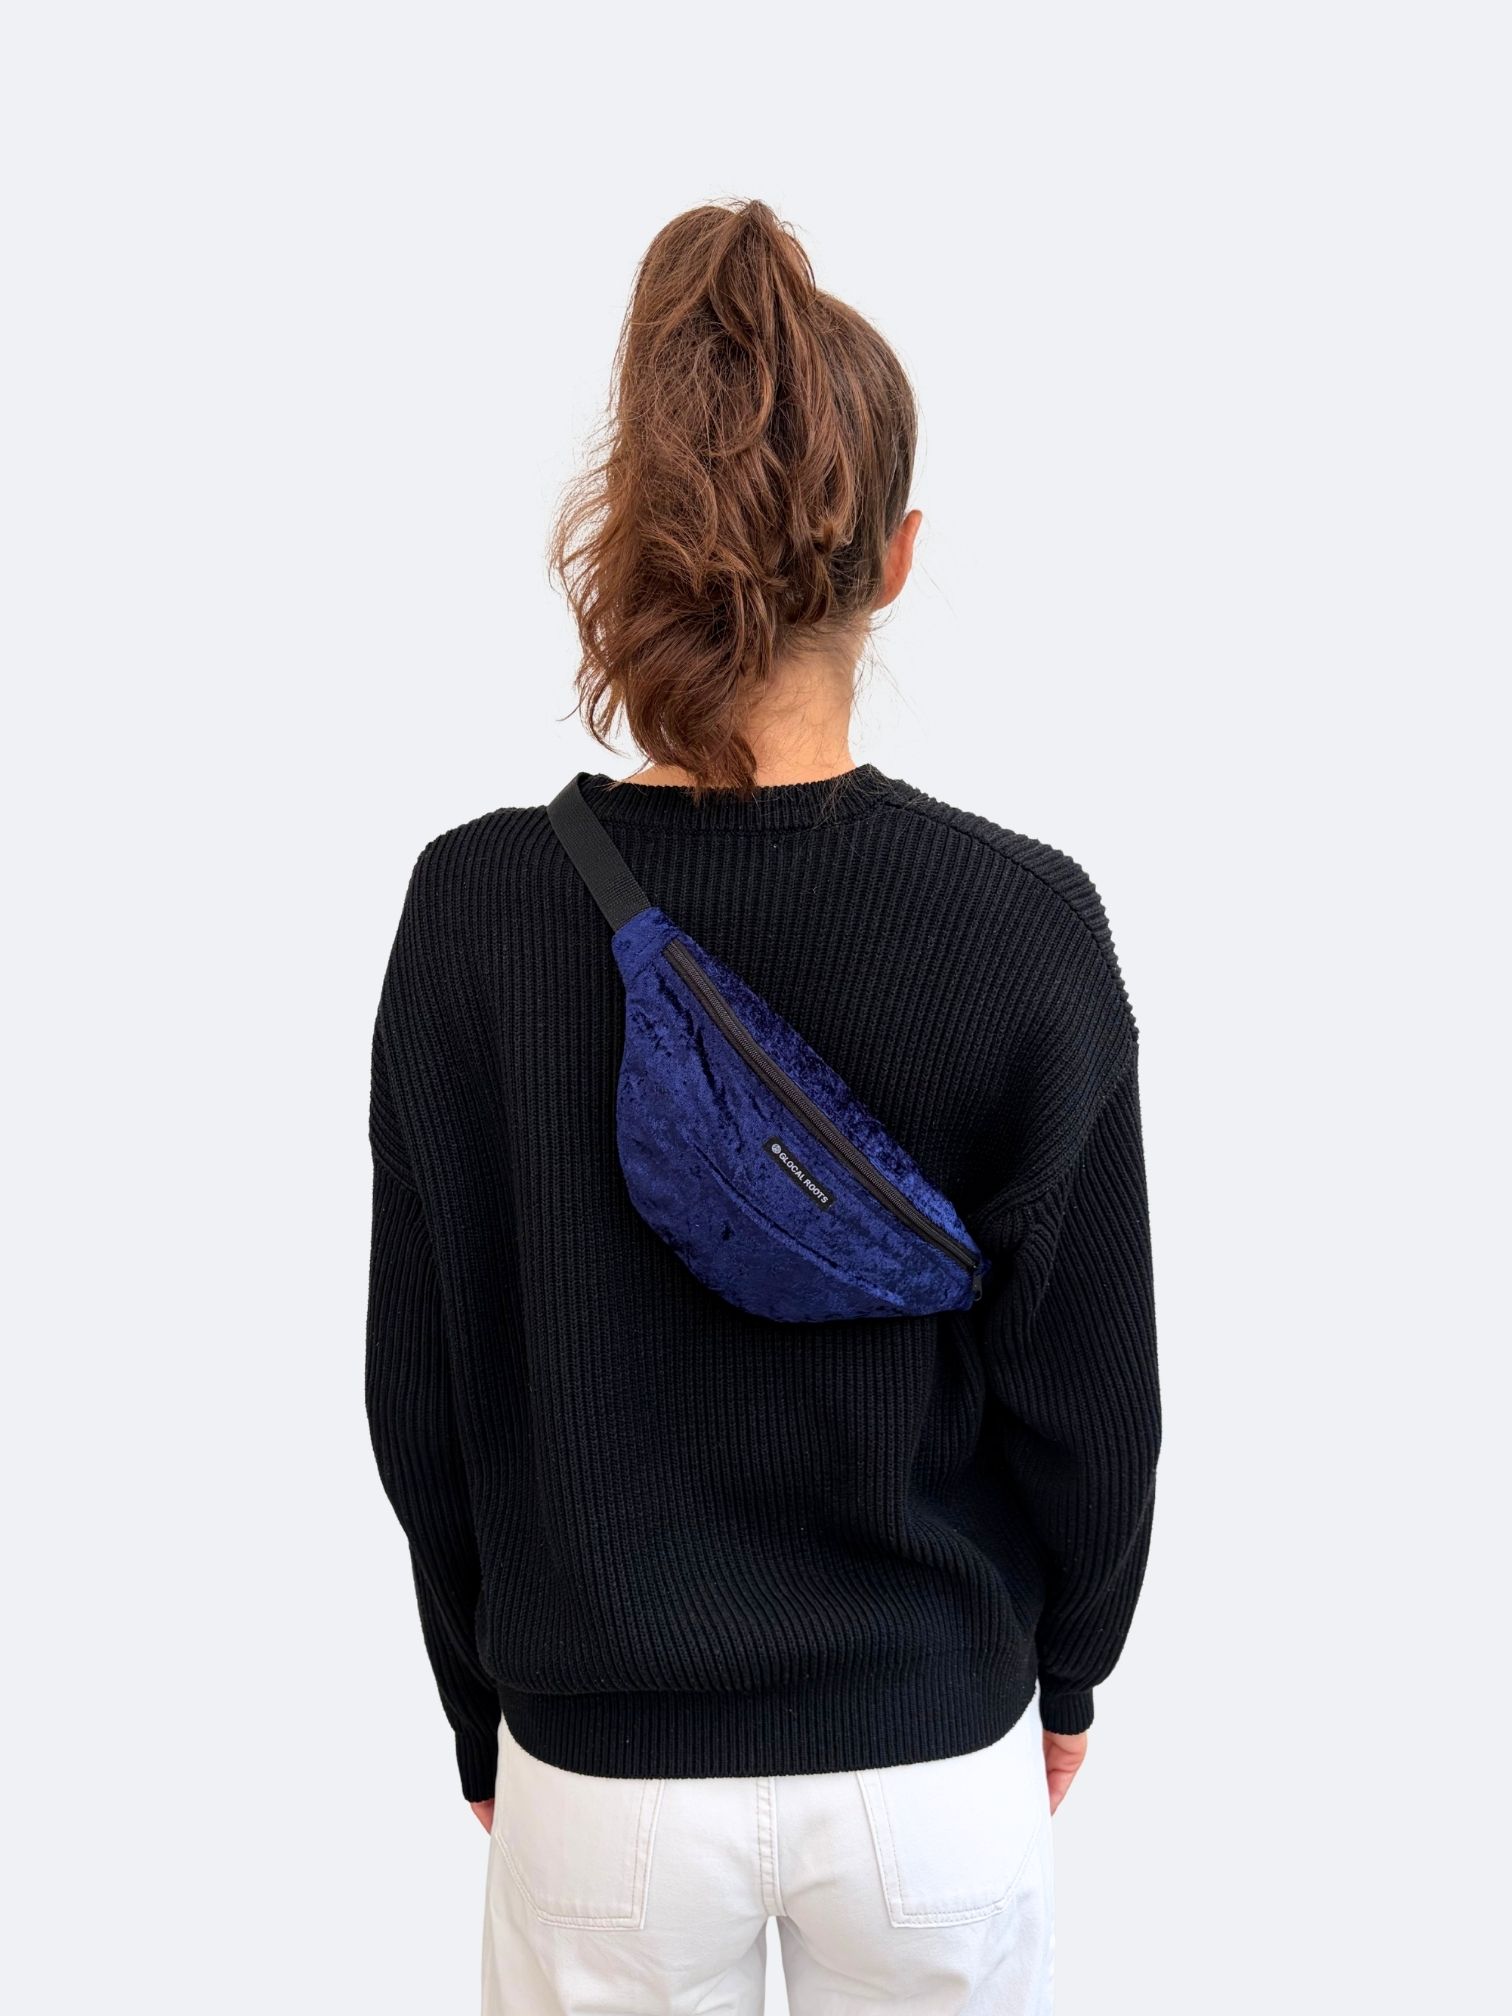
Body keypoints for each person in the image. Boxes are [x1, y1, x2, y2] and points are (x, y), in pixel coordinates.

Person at [366, 199, 1160, 2016]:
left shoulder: (475, 913)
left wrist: (482, 1709)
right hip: (930, 1759)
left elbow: (425, 1380)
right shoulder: (1023, 922)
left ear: (633, 547)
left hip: (602, 1778)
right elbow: (1094, 1392)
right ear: (897, 561)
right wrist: (1069, 1669)